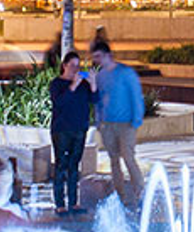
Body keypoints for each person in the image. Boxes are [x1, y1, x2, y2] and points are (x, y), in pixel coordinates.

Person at [90, 39, 144, 203]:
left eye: (99, 56)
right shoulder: (100, 76)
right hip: (108, 125)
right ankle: (121, 195)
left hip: (126, 124)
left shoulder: (126, 73)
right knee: (114, 160)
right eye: (95, 57)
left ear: (108, 55)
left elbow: (136, 96)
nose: (97, 60)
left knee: (128, 156)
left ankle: (140, 191)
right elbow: (98, 100)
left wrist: (136, 121)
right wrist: (99, 121)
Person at [49, 51, 96, 215]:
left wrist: (93, 83)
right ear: (64, 66)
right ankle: (60, 203)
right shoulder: (57, 84)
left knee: (74, 166)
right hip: (62, 129)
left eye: (78, 65)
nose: (76, 69)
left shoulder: (83, 84)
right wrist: (73, 85)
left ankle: (74, 202)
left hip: (79, 128)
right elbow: (60, 102)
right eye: (73, 65)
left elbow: (94, 100)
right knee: (61, 165)